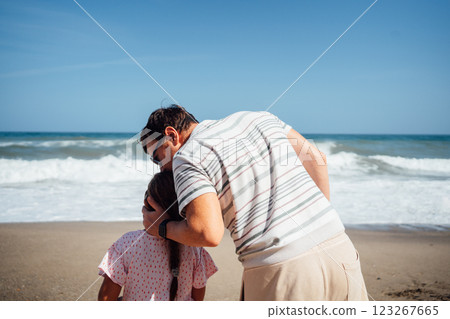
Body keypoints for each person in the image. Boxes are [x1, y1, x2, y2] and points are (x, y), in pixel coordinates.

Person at [140, 105, 368, 301]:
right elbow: (317, 159)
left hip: (281, 267)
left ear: (171, 135)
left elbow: (207, 233)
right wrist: (314, 221)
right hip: (339, 247)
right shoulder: (258, 117)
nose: (161, 167)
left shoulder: (186, 157)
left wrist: (160, 227)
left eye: (157, 157)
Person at [97, 171, 218, 301]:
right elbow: (197, 299)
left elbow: (106, 299)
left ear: (147, 203)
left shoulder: (127, 243)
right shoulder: (194, 248)